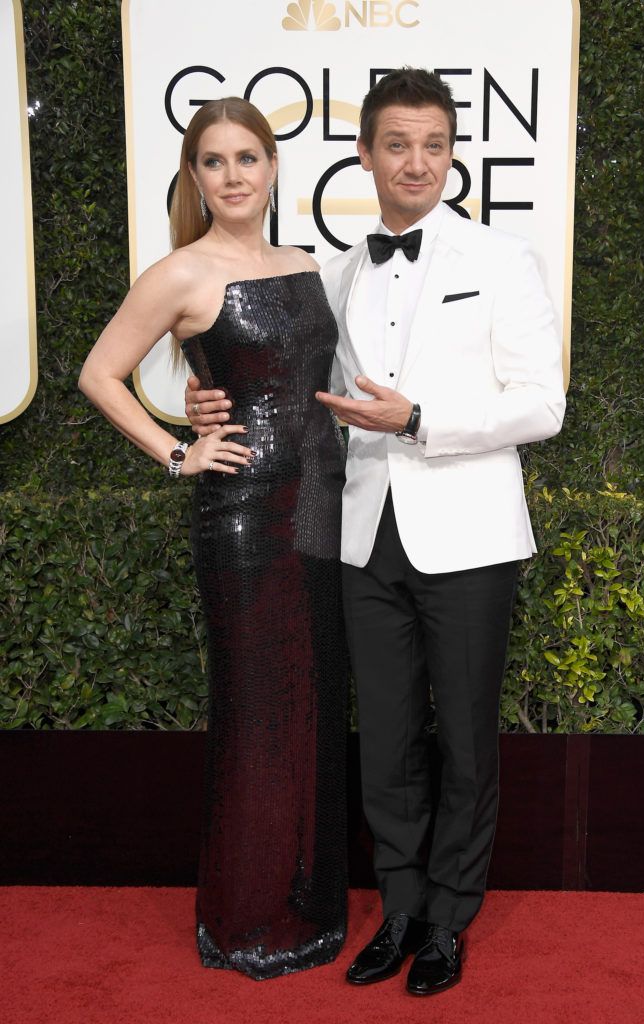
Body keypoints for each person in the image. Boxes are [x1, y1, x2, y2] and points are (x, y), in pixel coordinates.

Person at [186, 69, 565, 995]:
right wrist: (198, 406)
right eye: (397, 144)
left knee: (466, 739)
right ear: (365, 155)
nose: (417, 162)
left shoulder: (502, 260)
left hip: (469, 536)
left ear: (451, 154)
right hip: (358, 535)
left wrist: (422, 419)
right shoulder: (335, 272)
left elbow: (543, 406)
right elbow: (272, 375)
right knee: (387, 737)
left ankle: (449, 917)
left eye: (434, 145)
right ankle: (397, 910)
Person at [79, 97, 348, 979]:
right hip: (242, 514)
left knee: (312, 702)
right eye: (214, 162)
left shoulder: (306, 263)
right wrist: (175, 451)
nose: (233, 176)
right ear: (194, 178)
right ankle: (245, 915)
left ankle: (307, 897)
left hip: (321, 509)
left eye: (248, 157)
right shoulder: (180, 274)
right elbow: (98, 374)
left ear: (273, 167)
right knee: (255, 709)